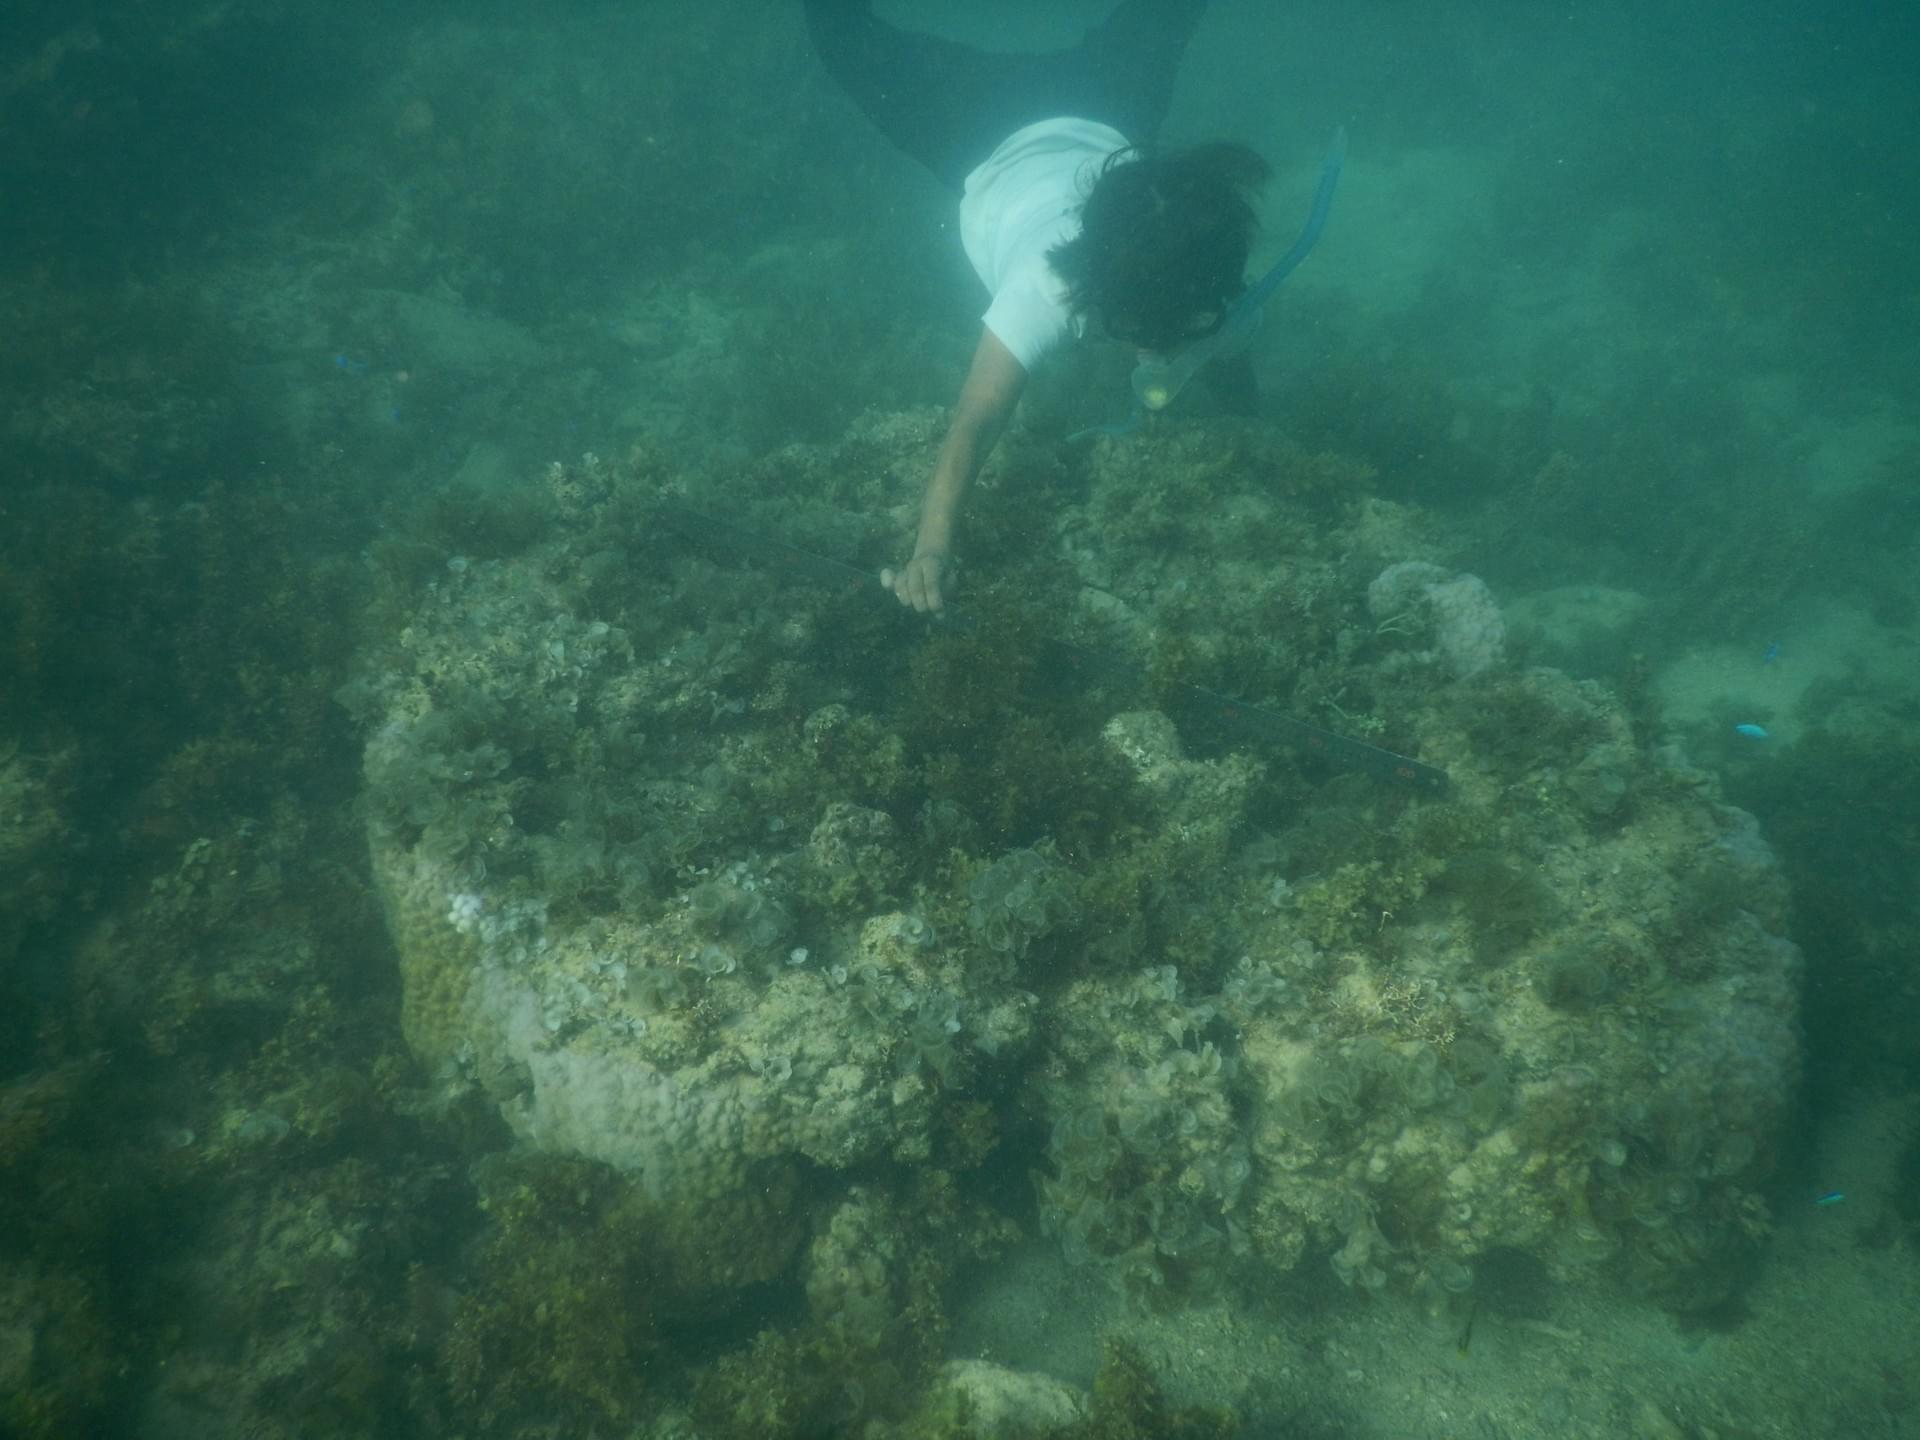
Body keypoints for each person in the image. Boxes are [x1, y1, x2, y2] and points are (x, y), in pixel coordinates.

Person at [803, 0, 1271, 612]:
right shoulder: (1045, 287)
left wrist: (1252, 418)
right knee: (837, 30)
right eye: (1139, 331)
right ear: (1097, 298)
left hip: (1106, 105)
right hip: (970, 126)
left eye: (1182, 329)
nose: (1158, 348)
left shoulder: (1188, 262)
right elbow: (977, 418)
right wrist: (931, 550)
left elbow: (1219, 332)